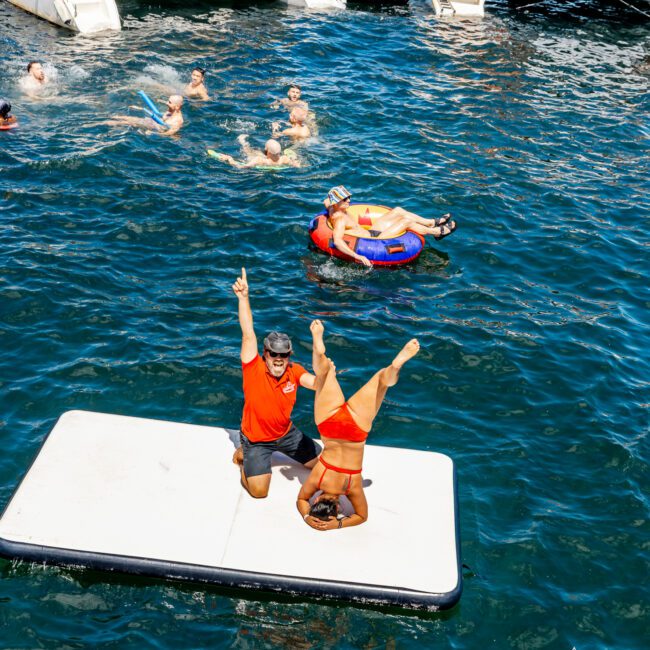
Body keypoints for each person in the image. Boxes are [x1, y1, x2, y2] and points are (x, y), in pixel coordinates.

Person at [297, 320, 420, 530]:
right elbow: (301, 500)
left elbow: (362, 516)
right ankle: (319, 353)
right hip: (329, 427)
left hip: (355, 430)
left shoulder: (352, 487)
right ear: (317, 500)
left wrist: (337, 525)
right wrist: (307, 516)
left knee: (381, 380)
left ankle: (394, 368)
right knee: (324, 375)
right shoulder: (319, 477)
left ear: (337, 508)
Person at [232, 268, 321, 498]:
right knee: (259, 492)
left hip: (285, 434)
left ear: (289, 355)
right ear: (266, 354)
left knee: (320, 462)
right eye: (274, 354)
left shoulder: (294, 371)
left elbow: (316, 383)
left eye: (284, 355)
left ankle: (267, 455)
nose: (279, 359)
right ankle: (246, 459)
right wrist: (244, 298)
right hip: (256, 440)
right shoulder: (253, 368)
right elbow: (248, 334)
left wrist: (322, 358)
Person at [324, 185, 457, 267]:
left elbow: (326, 201)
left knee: (398, 210)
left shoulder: (332, 207)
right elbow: (337, 241)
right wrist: (358, 257)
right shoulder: (340, 218)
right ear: (336, 203)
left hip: (371, 231)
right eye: (344, 199)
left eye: (348, 197)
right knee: (406, 222)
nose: (349, 201)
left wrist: (334, 198)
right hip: (375, 239)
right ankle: (436, 232)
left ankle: (430, 222)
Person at [106, 95, 184, 136]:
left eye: (169, 102)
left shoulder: (177, 121)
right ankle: (108, 117)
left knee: (127, 122)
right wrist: (140, 108)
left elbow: (169, 133)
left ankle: (103, 123)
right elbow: (159, 114)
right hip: (153, 122)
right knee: (128, 118)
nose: (167, 103)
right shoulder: (172, 109)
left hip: (155, 128)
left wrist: (154, 133)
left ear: (177, 106)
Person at [216, 135, 300, 168]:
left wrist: (229, 158)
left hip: (263, 162)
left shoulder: (259, 160)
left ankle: (242, 141)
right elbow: (297, 165)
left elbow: (241, 167)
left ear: (268, 152)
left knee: (249, 151)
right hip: (274, 161)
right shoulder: (284, 159)